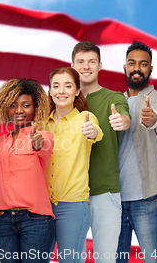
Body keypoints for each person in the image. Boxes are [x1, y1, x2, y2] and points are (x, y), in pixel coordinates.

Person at [0, 78, 55, 263]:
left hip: (36, 221)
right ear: (5, 107)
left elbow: (44, 146)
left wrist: (37, 141)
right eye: (13, 105)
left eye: (26, 105)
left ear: (35, 107)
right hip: (3, 222)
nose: (19, 110)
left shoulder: (43, 136)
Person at [71, 42, 131, 262]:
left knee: (105, 258)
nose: (86, 66)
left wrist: (121, 121)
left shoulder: (113, 98)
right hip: (70, 193)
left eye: (91, 62)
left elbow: (124, 118)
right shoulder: (64, 101)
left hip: (105, 191)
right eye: (81, 62)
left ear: (100, 66)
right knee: (69, 257)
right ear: (72, 65)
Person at [43, 67, 103, 263]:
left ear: (77, 90)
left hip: (73, 206)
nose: (61, 91)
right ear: (50, 91)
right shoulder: (42, 124)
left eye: (68, 86)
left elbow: (95, 132)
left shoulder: (85, 119)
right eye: (56, 86)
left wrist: (90, 131)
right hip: (42, 206)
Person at [116, 41, 157, 263]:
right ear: (125, 67)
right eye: (132, 63)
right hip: (114, 201)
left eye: (143, 64)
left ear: (150, 69)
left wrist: (151, 117)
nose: (137, 68)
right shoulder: (114, 102)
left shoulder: (156, 98)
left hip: (146, 200)